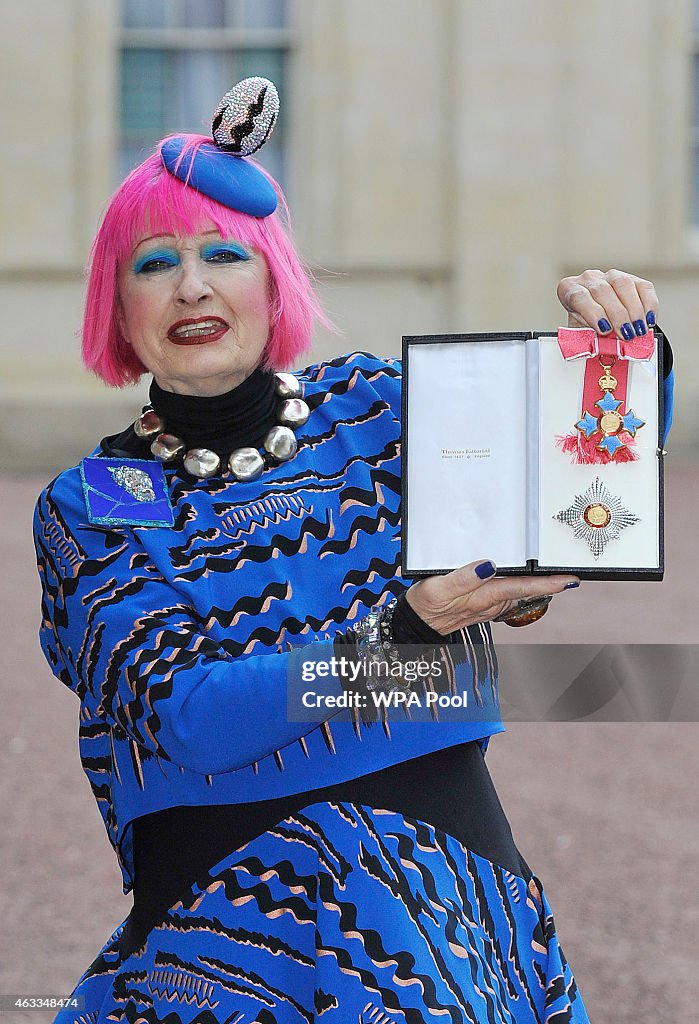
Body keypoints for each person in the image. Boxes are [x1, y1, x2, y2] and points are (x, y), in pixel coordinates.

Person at [33, 79, 670, 1024]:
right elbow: (194, 720)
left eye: (223, 253)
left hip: (445, 912)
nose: (192, 285)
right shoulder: (100, 498)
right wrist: (409, 632)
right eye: (153, 262)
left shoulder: (374, 408)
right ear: (116, 306)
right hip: (232, 932)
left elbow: (559, 514)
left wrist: (624, 362)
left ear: (271, 279)